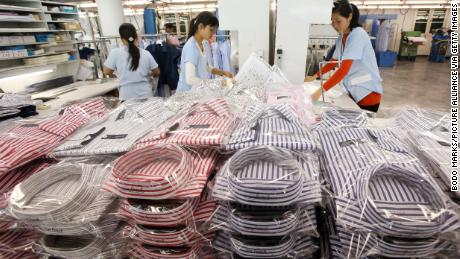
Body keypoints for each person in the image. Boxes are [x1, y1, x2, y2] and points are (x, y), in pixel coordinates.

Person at [305, 0, 383, 113]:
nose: (335, 25)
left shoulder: (358, 35)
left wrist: (319, 92)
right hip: (354, 90)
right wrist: (315, 75)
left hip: (367, 93)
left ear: (350, 17)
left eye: (338, 21)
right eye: (332, 21)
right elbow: (334, 62)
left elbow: (343, 70)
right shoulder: (343, 36)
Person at [177, 11, 233, 92]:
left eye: (214, 31)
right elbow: (190, 79)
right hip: (187, 93)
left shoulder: (203, 43)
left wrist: (224, 73)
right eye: (211, 30)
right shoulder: (191, 47)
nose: (213, 34)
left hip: (196, 92)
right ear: (200, 27)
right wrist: (215, 83)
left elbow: (206, 67)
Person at [103, 23, 161, 101]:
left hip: (127, 95)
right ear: (135, 36)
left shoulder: (115, 53)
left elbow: (106, 71)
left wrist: (118, 72)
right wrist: (148, 73)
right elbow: (157, 72)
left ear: (121, 38)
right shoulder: (146, 53)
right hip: (146, 94)